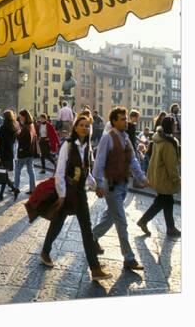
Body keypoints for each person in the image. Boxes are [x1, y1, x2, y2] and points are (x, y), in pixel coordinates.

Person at [40, 115, 112, 281]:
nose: (85, 128)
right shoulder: (68, 144)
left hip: (80, 193)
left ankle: (95, 269)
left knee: (86, 229)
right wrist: (62, 195)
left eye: (87, 126)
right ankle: (45, 252)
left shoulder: (87, 147)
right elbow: (59, 171)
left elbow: (86, 172)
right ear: (75, 127)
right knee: (57, 222)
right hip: (67, 191)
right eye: (81, 125)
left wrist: (95, 186)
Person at [92, 106, 149, 271]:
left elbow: (133, 160)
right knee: (121, 221)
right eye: (123, 119)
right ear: (114, 121)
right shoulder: (107, 138)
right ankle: (128, 258)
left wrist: (142, 177)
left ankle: (92, 237)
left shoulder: (126, 138)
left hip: (123, 185)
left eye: (126, 118)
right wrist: (99, 184)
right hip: (111, 187)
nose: (126, 121)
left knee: (109, 217)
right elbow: (99, 163)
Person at [137, 116, 181, 237]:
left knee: (167, 201)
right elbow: (171, 164)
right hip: (165, 178)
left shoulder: (159, 139)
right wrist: (176, 179)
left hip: (158, 175)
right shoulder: (168, 143)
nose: (176, 126)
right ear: (170, 126)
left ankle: (170, 228)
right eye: (175, 125)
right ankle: (144, 221)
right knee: (163, 201)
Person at [0, 110, 20, 201]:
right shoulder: (15, 126)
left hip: (4, 153)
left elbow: (1, 144)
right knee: (5, 174)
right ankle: (2, 194)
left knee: (4, 175)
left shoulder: (3, 127)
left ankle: (14, 189)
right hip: (11, 152)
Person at [14, 109, 38, 194]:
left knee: (17, 170)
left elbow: (22, 140)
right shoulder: (31, 125)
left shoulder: (26, 127)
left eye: (21, 117)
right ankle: (33, 189)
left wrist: (18, 133)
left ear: (24, 117)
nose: (20, 118)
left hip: (24, 152)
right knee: (31, 170)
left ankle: (16, 187)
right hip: (30, 152)